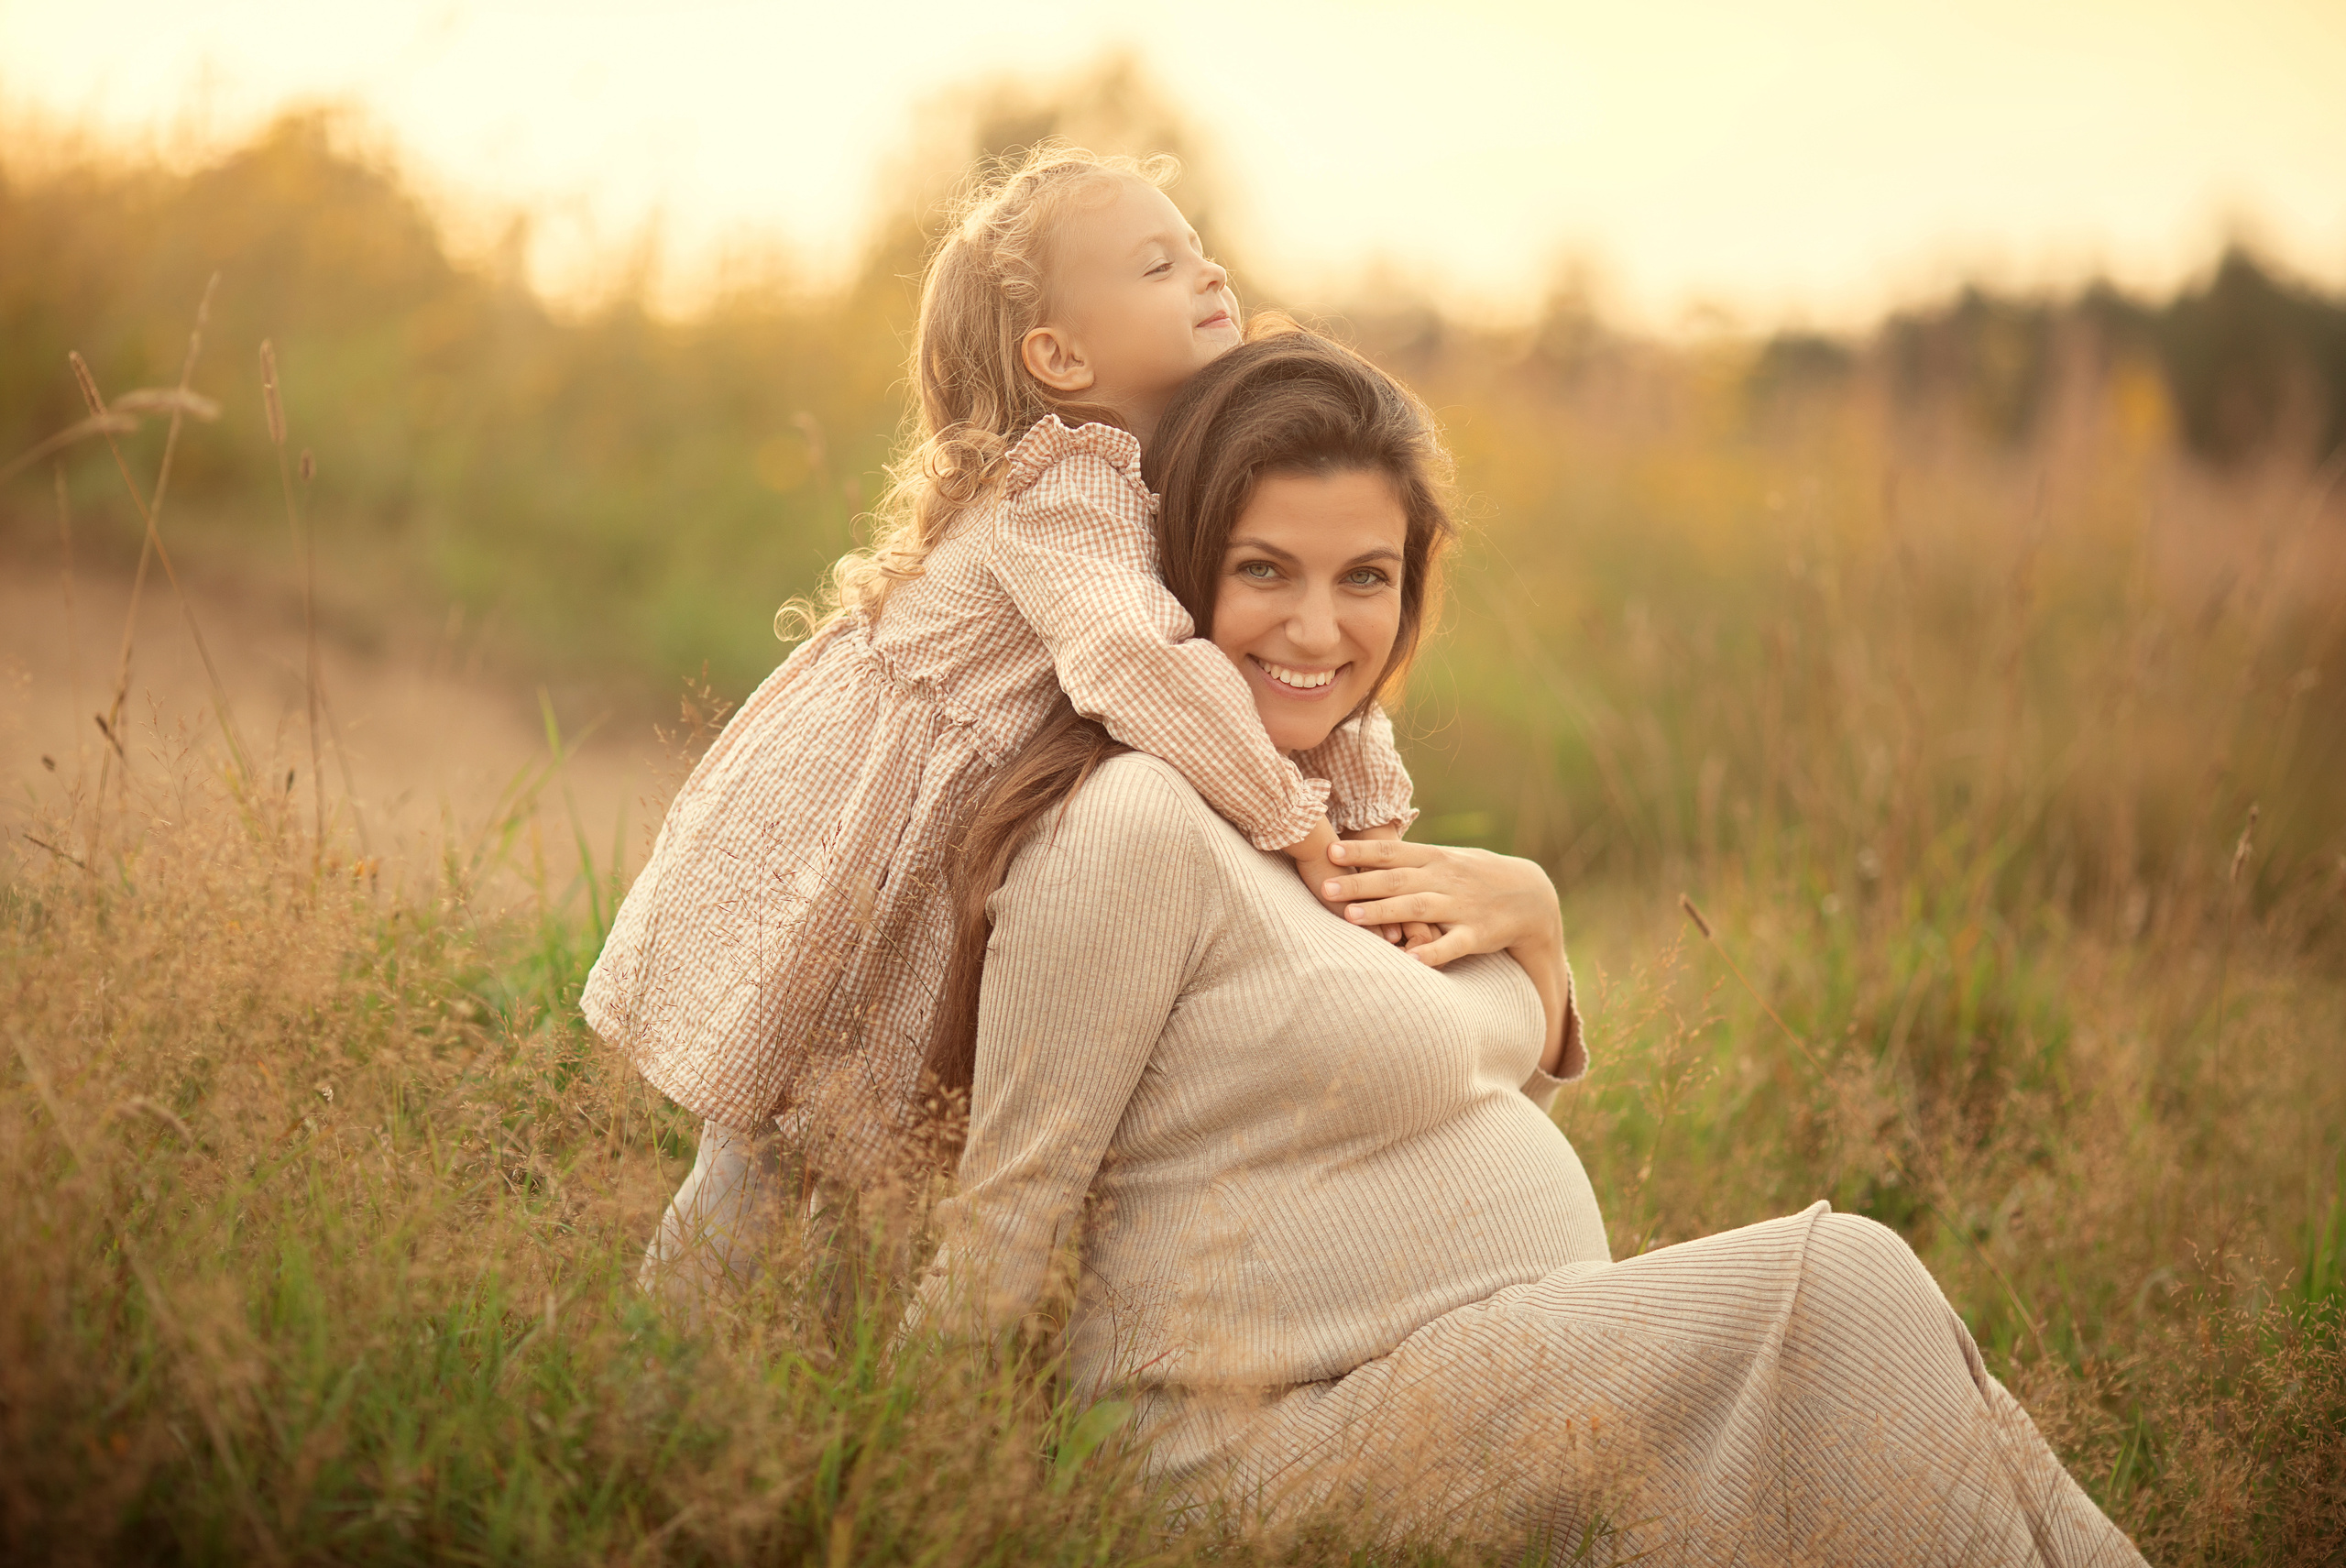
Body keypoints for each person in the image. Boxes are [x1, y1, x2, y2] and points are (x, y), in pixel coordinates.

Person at [903, 331, 2147, 1563]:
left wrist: (1544, 943)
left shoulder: (1332, 815)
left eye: (1367, 577)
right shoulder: (1134, 821)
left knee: (1909, 1353)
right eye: (1265, 569)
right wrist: (912, 1493)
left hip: (1466, 1379)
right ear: (1179, 571)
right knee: (1844, 1285)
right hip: (1249, 1454)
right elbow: (1008, 1207)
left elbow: (1423, 1105)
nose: (1319, 629)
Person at [584, 146, 1419, 1188]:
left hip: (932, 822)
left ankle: (788, 1321)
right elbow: (1140, 663)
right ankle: (689, 1336)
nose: (1210, 277)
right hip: (878, 825)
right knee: (791, 1127)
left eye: (1200, 253)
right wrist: (1295, 821)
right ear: (1061, 359)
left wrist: (1371, 823)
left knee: (839, 1132)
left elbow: (1276, 669)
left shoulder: (1145, 486)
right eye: (1158, 267)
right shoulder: (1067, 487)